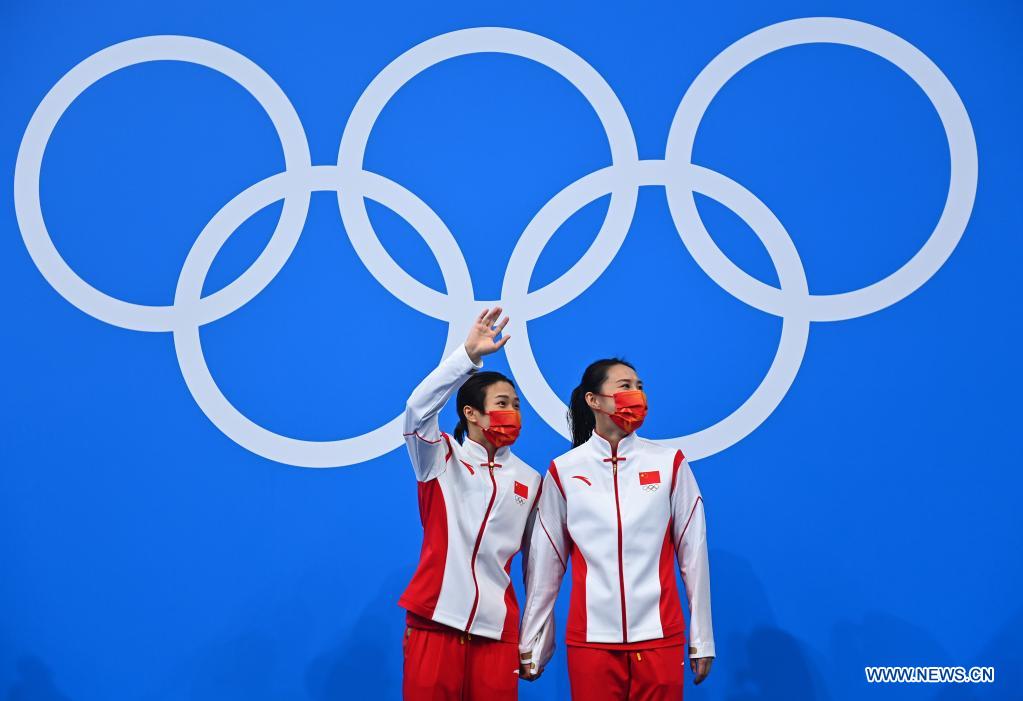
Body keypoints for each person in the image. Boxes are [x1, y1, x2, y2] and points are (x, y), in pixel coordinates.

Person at [517, 357, 715, 699]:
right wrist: (533, 640)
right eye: (625, 386)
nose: (637, 394)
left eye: (640, 387)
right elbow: (545, 567)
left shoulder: (669, 463)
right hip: (591, 642)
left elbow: (693, 554)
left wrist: (702, 638)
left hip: (660, 637)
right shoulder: (564, 471)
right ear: (593, 400)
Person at [399, 307, 544, 701]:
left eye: (516, 405)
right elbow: (417, 410)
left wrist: (532, 636)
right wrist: (467, 356)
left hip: (496, 635)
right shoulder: (439, 458)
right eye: (502, 403)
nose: (512, 412)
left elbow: (537, 568)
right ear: (471, 414)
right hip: (435, 622)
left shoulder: (531, 481)